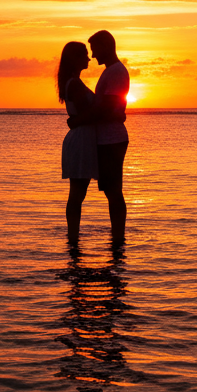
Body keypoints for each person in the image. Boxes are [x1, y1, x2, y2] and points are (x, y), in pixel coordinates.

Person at [66, 30, 129, 241]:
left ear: (105, 46)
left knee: (113, 192)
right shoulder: (110, 72)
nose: (92, 56)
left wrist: (76, 121)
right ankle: (116, 239)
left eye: (94, 49)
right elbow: (109, 107)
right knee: (110, 191)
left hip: (111, 140)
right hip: (104, 140)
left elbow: (105, 108)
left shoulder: (116, 72)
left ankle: (118, 239)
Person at [57, 41, 99, 237]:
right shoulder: (73, 83)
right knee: (77, 194)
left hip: (83, 138)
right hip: (81, 139)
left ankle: (73, 235)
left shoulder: (74, 82)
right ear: (74, 59)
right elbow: (88, 112)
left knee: (78, 193)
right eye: (84, 55)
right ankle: (72, 236)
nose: (88, 58)